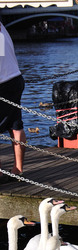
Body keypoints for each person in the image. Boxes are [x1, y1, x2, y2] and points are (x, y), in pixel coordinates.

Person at [0, 22, 26, 183]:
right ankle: (18, 169)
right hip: (15, 79)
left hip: (2, 83)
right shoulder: (2, 28)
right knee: (15, 126)